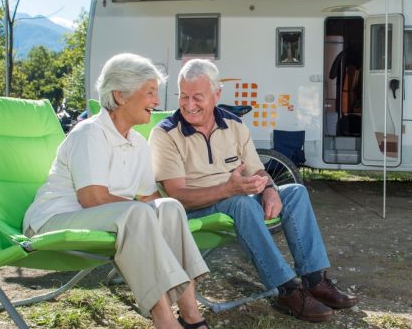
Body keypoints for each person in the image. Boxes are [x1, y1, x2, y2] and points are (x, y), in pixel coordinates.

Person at [149, 59, 358, 323]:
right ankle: (286, 289)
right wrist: (228, 188)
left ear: (217, 94)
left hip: (234, 195)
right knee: (242, 203)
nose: (189, 105)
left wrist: (269, 188)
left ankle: (314, 280)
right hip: (195, 210)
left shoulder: (233, 125)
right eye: (184, 96)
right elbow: (177, 196)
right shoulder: (166, 133)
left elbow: (257, 171)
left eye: (198, 97)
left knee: (294, 192)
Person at [23, 53, 210, 329]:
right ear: (120, 95)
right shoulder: (90, 133)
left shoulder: (137, 143)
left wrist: (171, 215)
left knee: (169, 207)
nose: (156, 102)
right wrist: (144, 213)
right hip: (53, 222)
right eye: (149, 93)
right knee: (137, 213)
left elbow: (150, 199)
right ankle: (164, 320)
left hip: (104, 222)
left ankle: (192, 314)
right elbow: (93, 198)